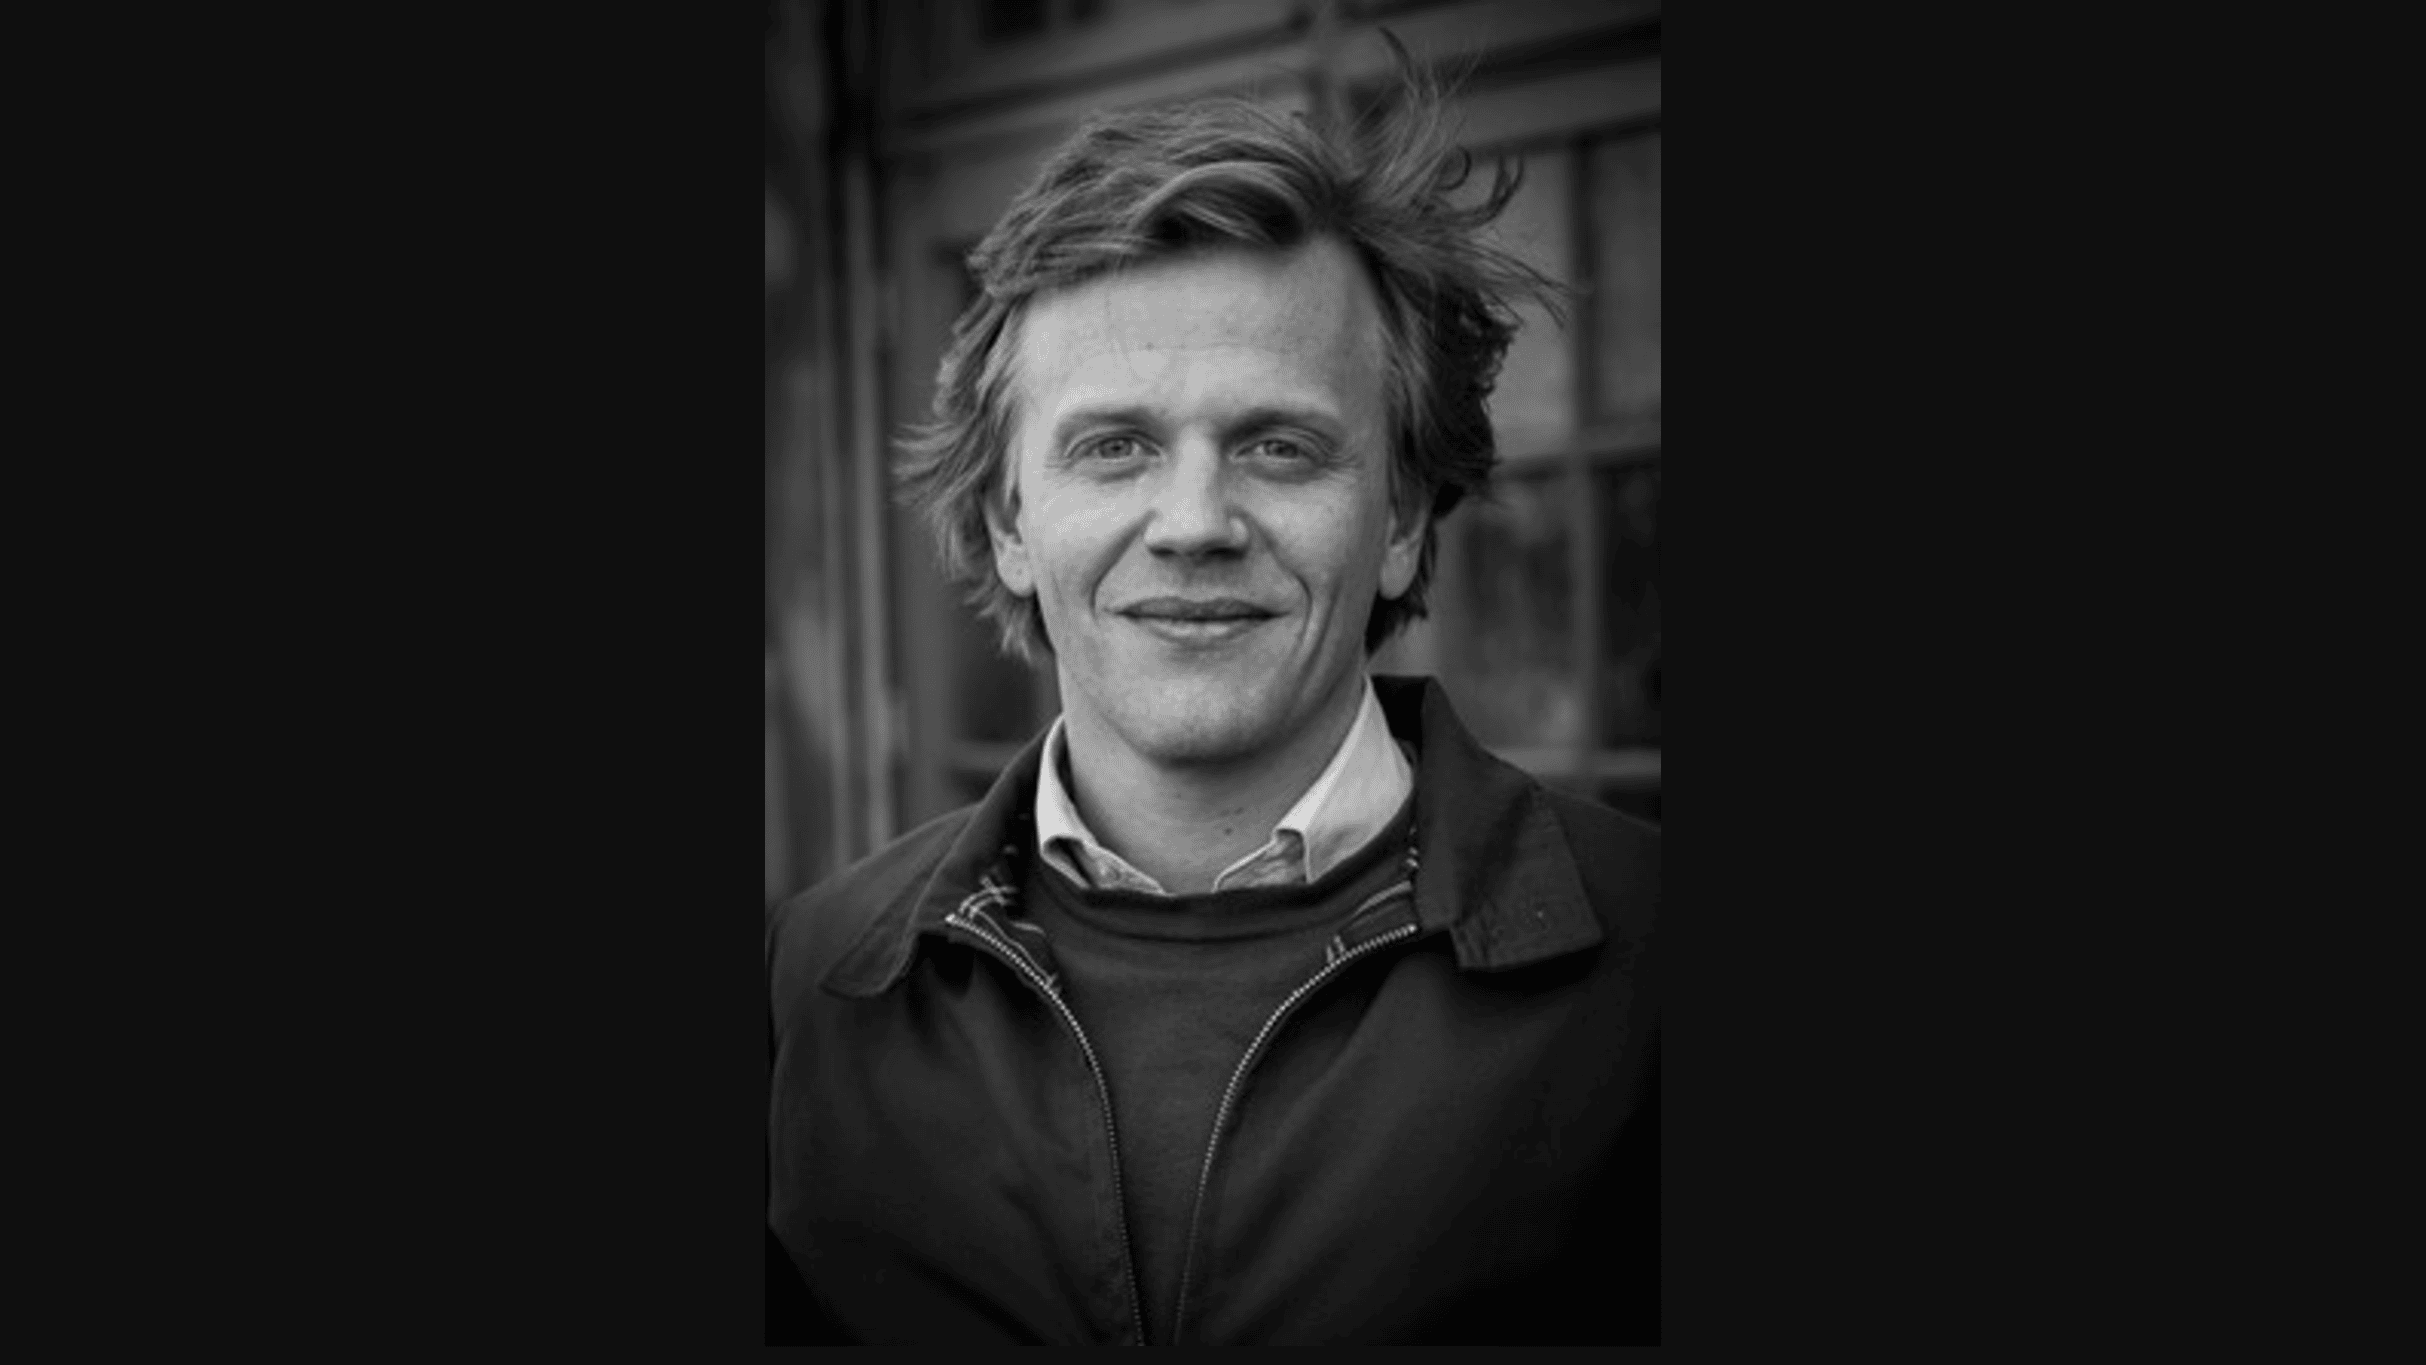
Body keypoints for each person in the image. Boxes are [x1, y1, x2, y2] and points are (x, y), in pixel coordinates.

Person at [766, 68, 1660, 1346]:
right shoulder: (809, 985)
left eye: (1278, 447)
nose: (1192, 524)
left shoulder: (1648, 966)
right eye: (1113, 447)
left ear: (1399, 521)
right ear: (1011, 521)